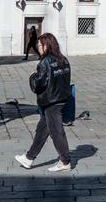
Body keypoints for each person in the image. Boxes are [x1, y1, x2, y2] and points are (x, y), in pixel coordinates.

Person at [14, 33, 73, 172]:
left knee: (56, 132)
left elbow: (38, 85)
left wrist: (32, 77)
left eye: (40, 46)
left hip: (51, 102)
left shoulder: (45, 62)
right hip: (62, 98)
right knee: (42, 130)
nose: (38, 48)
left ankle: (65, 161)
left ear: (47, 45)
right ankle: (29, 158)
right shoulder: (64, 60)